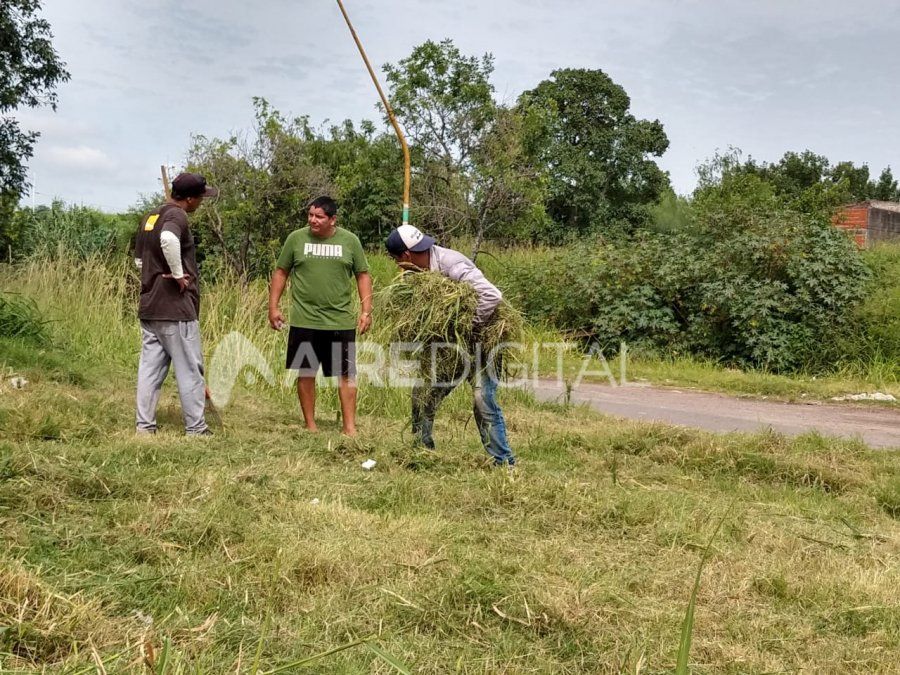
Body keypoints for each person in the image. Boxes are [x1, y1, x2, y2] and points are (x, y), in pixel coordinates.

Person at [384, 224, 516, 467]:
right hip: (451, 348)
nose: (398, 266)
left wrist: (469, 326)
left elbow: (492, 295)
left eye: (396, 260)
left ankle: (503, 463)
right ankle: (422, 452)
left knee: (482, 399)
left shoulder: (451, 264)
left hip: (483, 341)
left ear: (406, 255)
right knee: (423, 393)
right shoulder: (418, 273)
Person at [268, 196, 372, 435]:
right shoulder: (296, 239)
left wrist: (366, 311)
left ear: (332, 219)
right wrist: (273, 307)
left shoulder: (350, 241)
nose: (313, 220)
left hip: (340, 321)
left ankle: (349, 428)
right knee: (306, 372)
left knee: (346, 374)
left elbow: (363, 275)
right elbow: (281, 272)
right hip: (305, 319)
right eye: (310, 215)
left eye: (319, 216)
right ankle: (310, 425)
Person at [133, 172, 218, 435]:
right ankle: (196, 429)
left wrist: (157, 275)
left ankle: (144, 427)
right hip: (176, 308)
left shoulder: (151, 216)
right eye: (200, 197)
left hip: (150, 305)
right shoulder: (177, 216)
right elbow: (168, 239)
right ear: (190, 199)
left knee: (150, 370)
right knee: (190, 369)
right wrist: (178, 275)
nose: (201, 202)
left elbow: (139, 261)